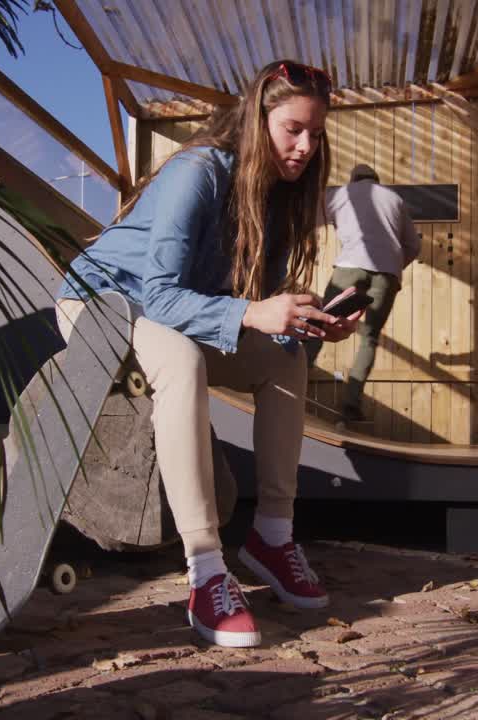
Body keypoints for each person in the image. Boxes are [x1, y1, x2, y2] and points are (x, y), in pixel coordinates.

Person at [54, 60, 359, 649]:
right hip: (102, 303)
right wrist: (252, 313)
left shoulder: (278, 197)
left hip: (168, 314)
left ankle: (272, 534)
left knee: (283, 357)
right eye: (293, 128)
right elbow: (162, 292)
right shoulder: (198, 170)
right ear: (256, 119)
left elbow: (250, 306)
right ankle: (206, 570)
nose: (304, 146)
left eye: (316, 134)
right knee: (180, 360)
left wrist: (306, 321)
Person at [306, 164, 420, 422]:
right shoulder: (395, 199)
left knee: (320, 323)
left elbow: (309, 220)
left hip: (350, 267)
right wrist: (390, 268)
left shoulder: (341, 194)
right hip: (388, 273)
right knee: (370, 338)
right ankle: (351, 404)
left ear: (354, 179)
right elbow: (413, 246)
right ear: (377, 180)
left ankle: (296, 381)